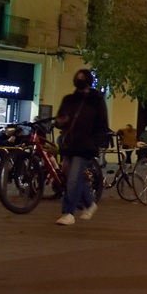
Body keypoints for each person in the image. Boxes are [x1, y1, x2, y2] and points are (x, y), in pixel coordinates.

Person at [54, 69, 111, 226]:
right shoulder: (69, 99)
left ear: (88, 81)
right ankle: (90, 204)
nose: (79, 81)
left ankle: (68, 212)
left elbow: (102, 124)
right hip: (69, 143)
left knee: (73, 178)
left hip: (85, 146)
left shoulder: (96, 100)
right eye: (77, 78)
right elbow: (59, 119)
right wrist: (60, 122)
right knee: (75, 177)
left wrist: (95, 141)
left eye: (82, 78)